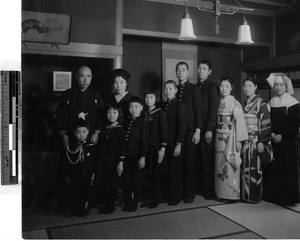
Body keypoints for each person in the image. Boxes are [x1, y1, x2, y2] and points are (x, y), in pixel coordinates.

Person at [264, 73, 300, 205]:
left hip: (287, 141)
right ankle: (273, 196)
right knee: (273, 167)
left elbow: (293, 123)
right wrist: (271, 133)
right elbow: (267, 119)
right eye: (276, 85)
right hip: (273, 138)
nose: (278, 87)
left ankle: (287, 198)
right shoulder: (271, 102)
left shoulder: (292, 102)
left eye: (281, 85)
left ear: (286, 86)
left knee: (285, 168)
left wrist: (282, 135)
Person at [215, 77, 248, 202]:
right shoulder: (219, 101)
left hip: (231, 138)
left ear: (232, 88)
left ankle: (231, 195)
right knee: (220, 164)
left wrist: (239, 140)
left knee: (229, 164)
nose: (224, 89)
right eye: (222, 86)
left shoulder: (235, 103)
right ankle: (221, 193)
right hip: (219, 136)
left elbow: (240, 122)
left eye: (227, 86)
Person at [56, 65, 104, 147]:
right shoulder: (67, 94)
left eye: (88, 76)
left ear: (91, 77)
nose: (86, 80)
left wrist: (97, 133)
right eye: (82, 76)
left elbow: (100, 116)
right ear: (76, 77)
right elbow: (60, 115)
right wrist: (63, 134)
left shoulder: (96, 96)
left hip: (90, 136)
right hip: (70, 136)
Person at [241, 77, 272, 203]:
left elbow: (265, 122)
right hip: (245, 140)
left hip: (255, 139)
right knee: (245, 167)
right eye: (245, 86)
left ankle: (254, 196)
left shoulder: (261, 103)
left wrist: (261, 141)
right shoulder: (244, 103)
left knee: (255, 168)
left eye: (250, 86)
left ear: (255, 87)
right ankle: (245, 196)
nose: (247, 89)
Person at [175, 61, 202, 203]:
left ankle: (189, 194)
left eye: (183, 70)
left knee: (190, 164)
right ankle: (178, 193)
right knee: (178, 164)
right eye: (178, 70)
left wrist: (198, 131)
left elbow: (198, 111)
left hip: (191, 131)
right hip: (178, 132)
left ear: (188, 72)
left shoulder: (193, 89)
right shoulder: (174, 89)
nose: (181, 73)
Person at [196, 59, 219, 200]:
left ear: (209, 72)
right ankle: (199, 188)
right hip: (197, 128)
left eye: (204, 68)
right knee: (198, 160)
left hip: (207, 128)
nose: (201, 71)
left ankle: (208, 191)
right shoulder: (195, 86)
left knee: (207, 161)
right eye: (199, 68)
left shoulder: (212, 87)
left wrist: (209, 128)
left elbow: (213, 108)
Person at [63, 117, 96, 217]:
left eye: (84, 132)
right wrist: (68, 175)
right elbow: (67, 162)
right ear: (73, 133)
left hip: (87, 175)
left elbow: (94, 161)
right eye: (78, 132)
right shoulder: (71, 147)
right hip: (75, 176)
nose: (81, 135)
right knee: (75, 194)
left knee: (87, 194)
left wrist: (93, 173)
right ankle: (75, 212)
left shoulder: (91, 145)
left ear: (88, 132)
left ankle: (85, 211)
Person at [96, 104, 126, 214]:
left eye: (114, 113)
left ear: (119, 114)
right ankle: (105, 202)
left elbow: (122, 148)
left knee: (112, 183)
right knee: (104, 182)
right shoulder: (105, 128)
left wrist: (121, 163)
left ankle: (110, 205)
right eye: (109, 112)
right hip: (103, 160)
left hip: (114, 161)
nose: (111, 115)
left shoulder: (120, 130)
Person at [141, 90, 168, 209]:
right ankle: (148, 198)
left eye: (151, 97)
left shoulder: (160, 113)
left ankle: (155, 199)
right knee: (148, 175)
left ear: (156, 99)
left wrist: (162, 149)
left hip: (156, 148)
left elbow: (164, 132)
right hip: (146, 149)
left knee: (156, 175)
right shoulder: (143, 113)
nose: (148, 100)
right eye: (146, 97)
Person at [122, 96, 149, 212]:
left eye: (136, 107)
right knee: (126, 181)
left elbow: (145, 142)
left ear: (141, 108)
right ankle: (127, 202)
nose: (133, 109)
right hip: (126, 156)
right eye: (131, 107)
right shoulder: (125, 122)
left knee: (136, 181)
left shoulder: (142, 123)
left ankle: (134, 204)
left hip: (137, 156)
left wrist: (142, 157)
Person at [163, 80, 187, 205]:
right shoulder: (164, 105)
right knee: (167, 171)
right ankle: (167, 195)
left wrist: (179, 144)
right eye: (166, 89)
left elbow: (182, 126)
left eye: (170, 89)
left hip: (175, 144)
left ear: (176, 90)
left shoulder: (179, 105)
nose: (167, 91)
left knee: (175, 172)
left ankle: (176, 197)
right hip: (166, 144)